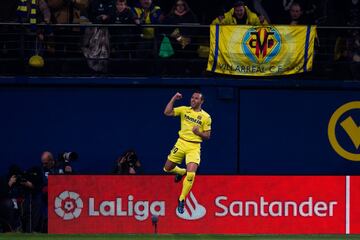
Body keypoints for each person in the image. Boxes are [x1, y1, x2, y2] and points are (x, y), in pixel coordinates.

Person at [163, 91, 212, 214]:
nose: (193, 100)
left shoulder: (206, 117)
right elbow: (167, 112)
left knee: (191, 174)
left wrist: (199, 133)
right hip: (181, 143)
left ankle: (181, 199)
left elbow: (207, 136)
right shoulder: (184, 110)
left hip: (194, 146)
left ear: (201, 101)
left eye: (196, 99)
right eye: (192, 98)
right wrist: (174, 98)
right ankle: (180, 171)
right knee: (167, 169)